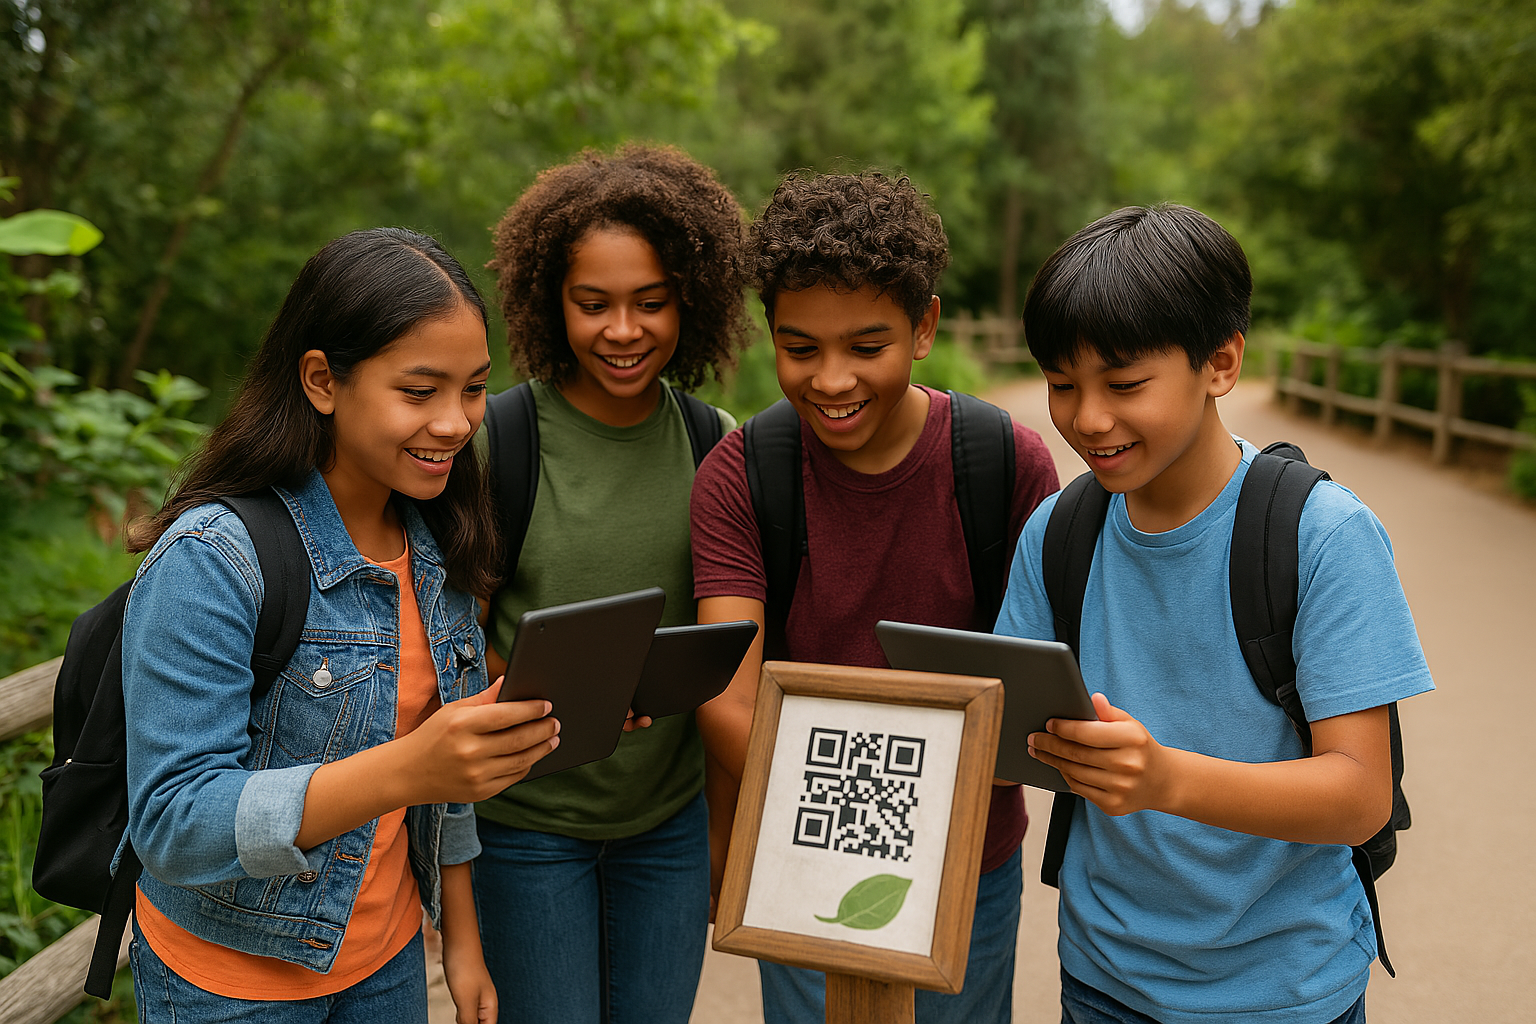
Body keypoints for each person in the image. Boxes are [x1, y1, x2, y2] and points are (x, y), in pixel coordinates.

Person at [999, 203, 1435, 1024]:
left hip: (1282, 991)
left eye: (1125, 384)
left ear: (1221, 362)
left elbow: (1359, 794)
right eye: (1062, 384)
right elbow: (1002, 727)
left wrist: (1163, 779)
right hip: (1101, 976)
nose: (1087, 419)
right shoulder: (1058, 531)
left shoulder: (1322, 535)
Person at [122, 227, 560, 1024]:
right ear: (322, 380)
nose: (458, 424)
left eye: (472, 390)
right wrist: (410, 768)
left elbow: (443, 780)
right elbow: (174, 822)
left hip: (386, 967)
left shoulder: (439, 540)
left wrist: (461, 941)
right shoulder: (214, 559)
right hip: (229, 986)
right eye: (420, 391)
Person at [690, 170, 1060, 1024]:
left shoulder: (1004, 462)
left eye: (866, 346)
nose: (830, 379)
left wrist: (926, 816)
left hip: (970, 853)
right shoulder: (741, 477)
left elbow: (1036, 675)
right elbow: (726, 692)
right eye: (800, 347)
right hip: (800, 849)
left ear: (924, 326)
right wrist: (864, 816)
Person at [474, 143, 753, 1023]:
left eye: (651, 303)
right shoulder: (499, 442)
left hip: (664, 834)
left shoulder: (718, 445)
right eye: (592, 304)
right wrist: (546, 696)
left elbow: (724, 665)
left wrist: (719, 832)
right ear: (551, 304)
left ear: (690, 302)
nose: (622, 331)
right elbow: (452, 647)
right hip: (526, 832)